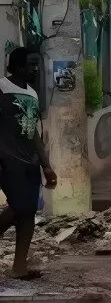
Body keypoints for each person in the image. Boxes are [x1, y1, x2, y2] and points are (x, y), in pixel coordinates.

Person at [0, 48, 57, 279]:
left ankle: (19, 267)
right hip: (8, 160)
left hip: (30, 163)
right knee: (20, 207)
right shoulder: (2, 88)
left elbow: (33, 134)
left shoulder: (32, 94)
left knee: (28, 213)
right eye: (31, 64)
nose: (35, 69)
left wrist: (46, 165)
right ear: (18, 66)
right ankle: (19, 267)